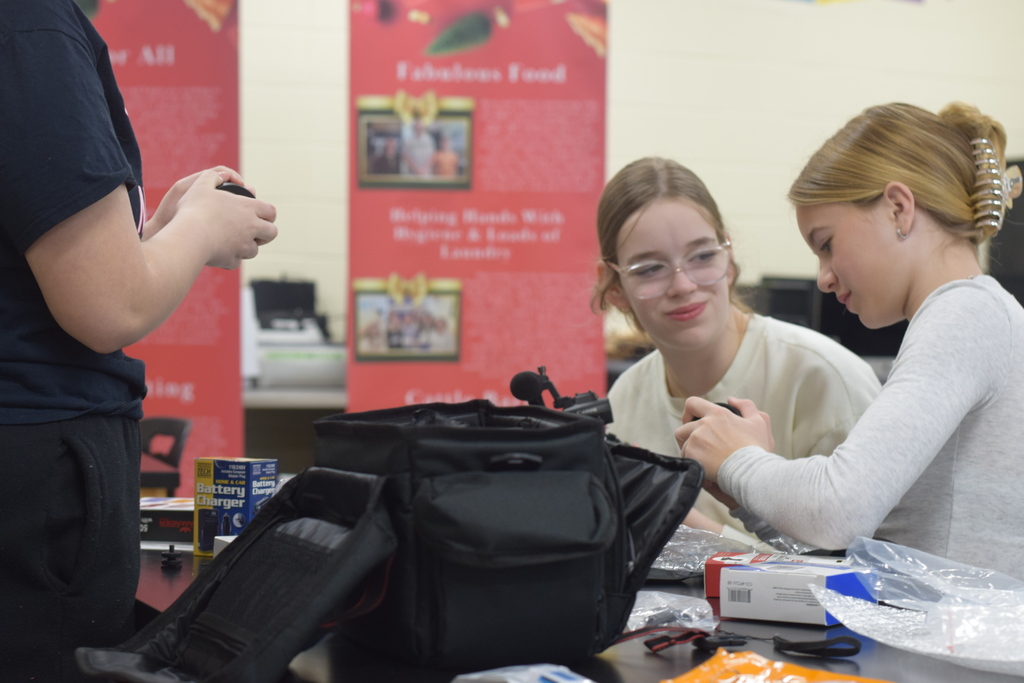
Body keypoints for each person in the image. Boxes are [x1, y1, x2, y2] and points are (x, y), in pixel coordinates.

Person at [0, 1, 278, 680]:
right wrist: (204, 228)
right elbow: (110, 303)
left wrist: (156, 233)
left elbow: (65, 277)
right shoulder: (31, 24)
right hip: (38, 471)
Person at [675, 102, 1024, 579]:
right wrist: (745, 492)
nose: (822, 277)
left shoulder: (966, 313)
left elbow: (838, 509)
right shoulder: (968, 315)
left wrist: (740, 460)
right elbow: (864, 547)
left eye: (826, 244)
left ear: (899, 208)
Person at [593, 157, 881, 549]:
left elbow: (867, 572)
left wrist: (688, 528)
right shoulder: (626, 399)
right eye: (649, 269)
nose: (682, 285)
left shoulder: (824, 377)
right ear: (613, 288)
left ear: (728, 259)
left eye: (702, 256)